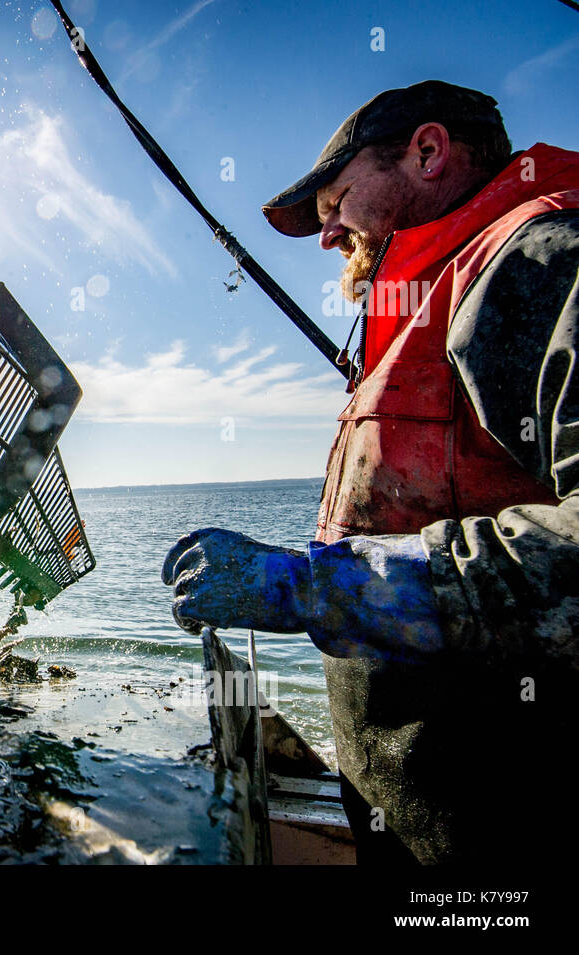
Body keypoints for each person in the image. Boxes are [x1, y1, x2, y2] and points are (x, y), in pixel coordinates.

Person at [161, 80, 579, 864]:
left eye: (336, 203)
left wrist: (308, 585)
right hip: (419, 822)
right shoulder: (434, 297)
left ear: (427, 152)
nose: (327, 237)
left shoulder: (535, 262)